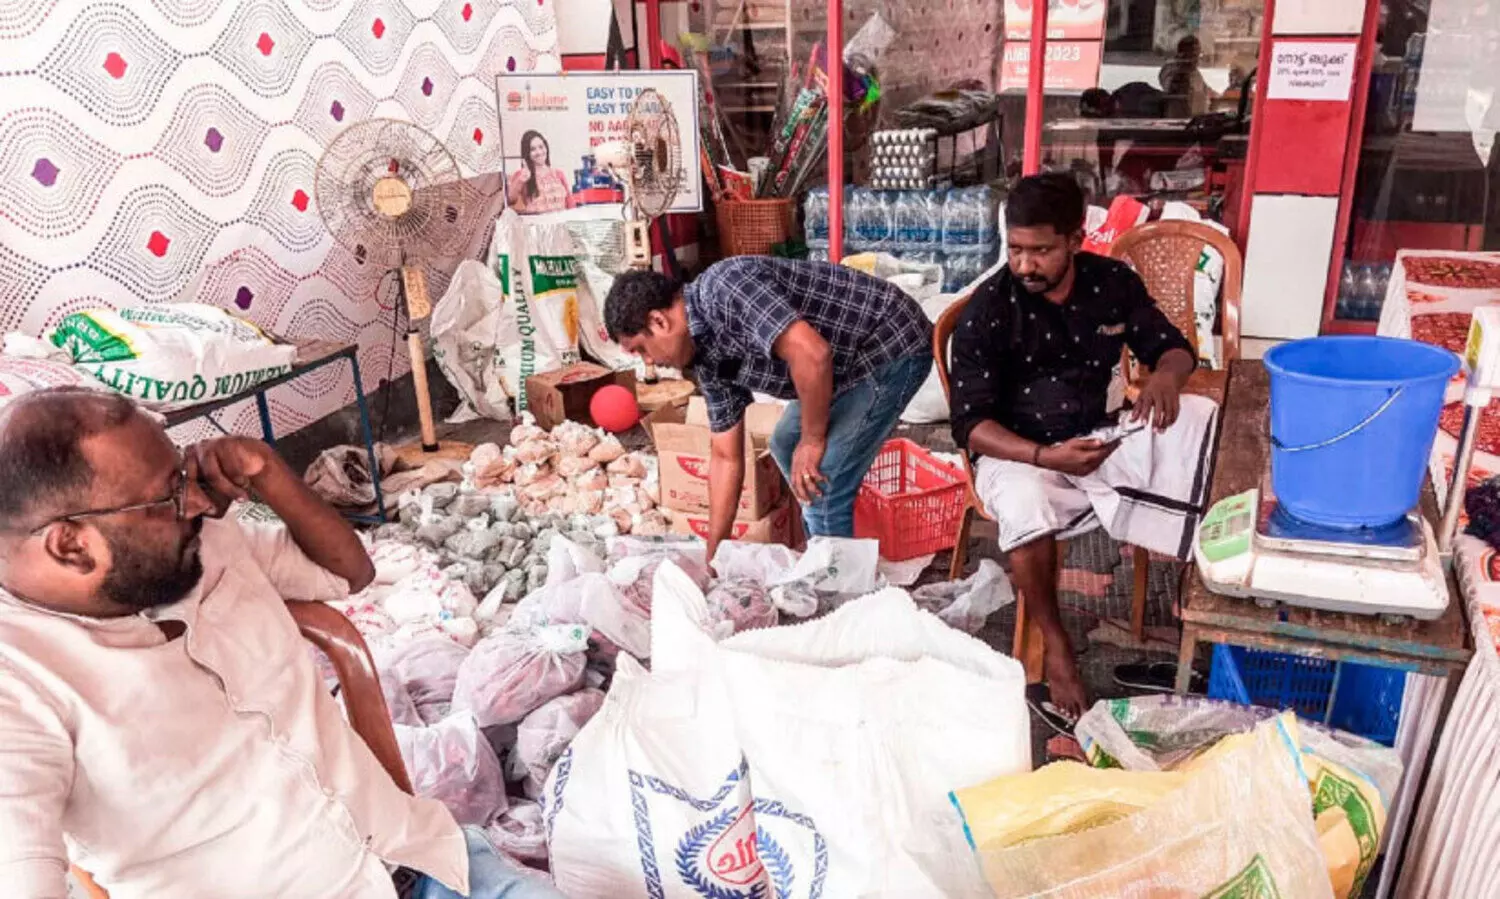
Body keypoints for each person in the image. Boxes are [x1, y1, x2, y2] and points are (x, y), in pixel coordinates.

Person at [0, 388, 563, 899]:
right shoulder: (20, 685)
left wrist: (266, 469)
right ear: (70, 546)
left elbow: (348, 572)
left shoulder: (203, 546)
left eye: (183, 477)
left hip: (425, 858)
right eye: (167, 497)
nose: (198, 504)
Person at [948, 173, 1218, 718]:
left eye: (1041, 251)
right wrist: (1044, 456)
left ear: (1075, 240)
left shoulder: (1111, 283)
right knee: (1025, 501)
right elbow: (970, 424)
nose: (1025, 265)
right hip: (1016, 454)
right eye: (1016, 250)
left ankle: (1203, 610)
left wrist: (1167, 377)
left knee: (1201, 420)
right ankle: (1056, 644)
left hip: (1100, 437)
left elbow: (1171, 347)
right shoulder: (989, 309)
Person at [603, 258, 933, 562]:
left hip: (889, 342)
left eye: (642, 349)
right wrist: (713, 556)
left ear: (659, 321)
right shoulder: (705, 359)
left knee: (824, 481)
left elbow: (813, 354)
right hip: (841, 367)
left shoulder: (725, 288)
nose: (649, 362)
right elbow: (726, 457)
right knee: (785, 443)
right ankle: (823, 538)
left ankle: (839, 589)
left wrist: (813, 440)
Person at [507, 130, 574, 215]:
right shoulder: (522, 174)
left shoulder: (558, 174)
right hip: (537, 222)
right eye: (533, 149)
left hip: (561, 222)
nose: (539, 152)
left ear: (546, 147)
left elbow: (570, 204)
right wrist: (520, 180)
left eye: (541, 147)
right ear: (527, 153)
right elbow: (510, 200)